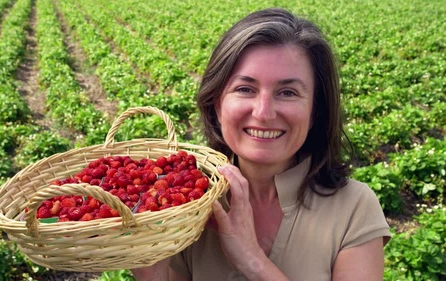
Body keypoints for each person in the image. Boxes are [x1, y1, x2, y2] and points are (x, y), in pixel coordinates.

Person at [132, 7, 391, 281]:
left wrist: (252, 260)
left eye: (288, 92)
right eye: (245, 89)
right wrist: (150, 270)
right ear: (217, 105)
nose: (264, 113)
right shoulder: (188, 204)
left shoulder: (354, 208)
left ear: (315, 110)